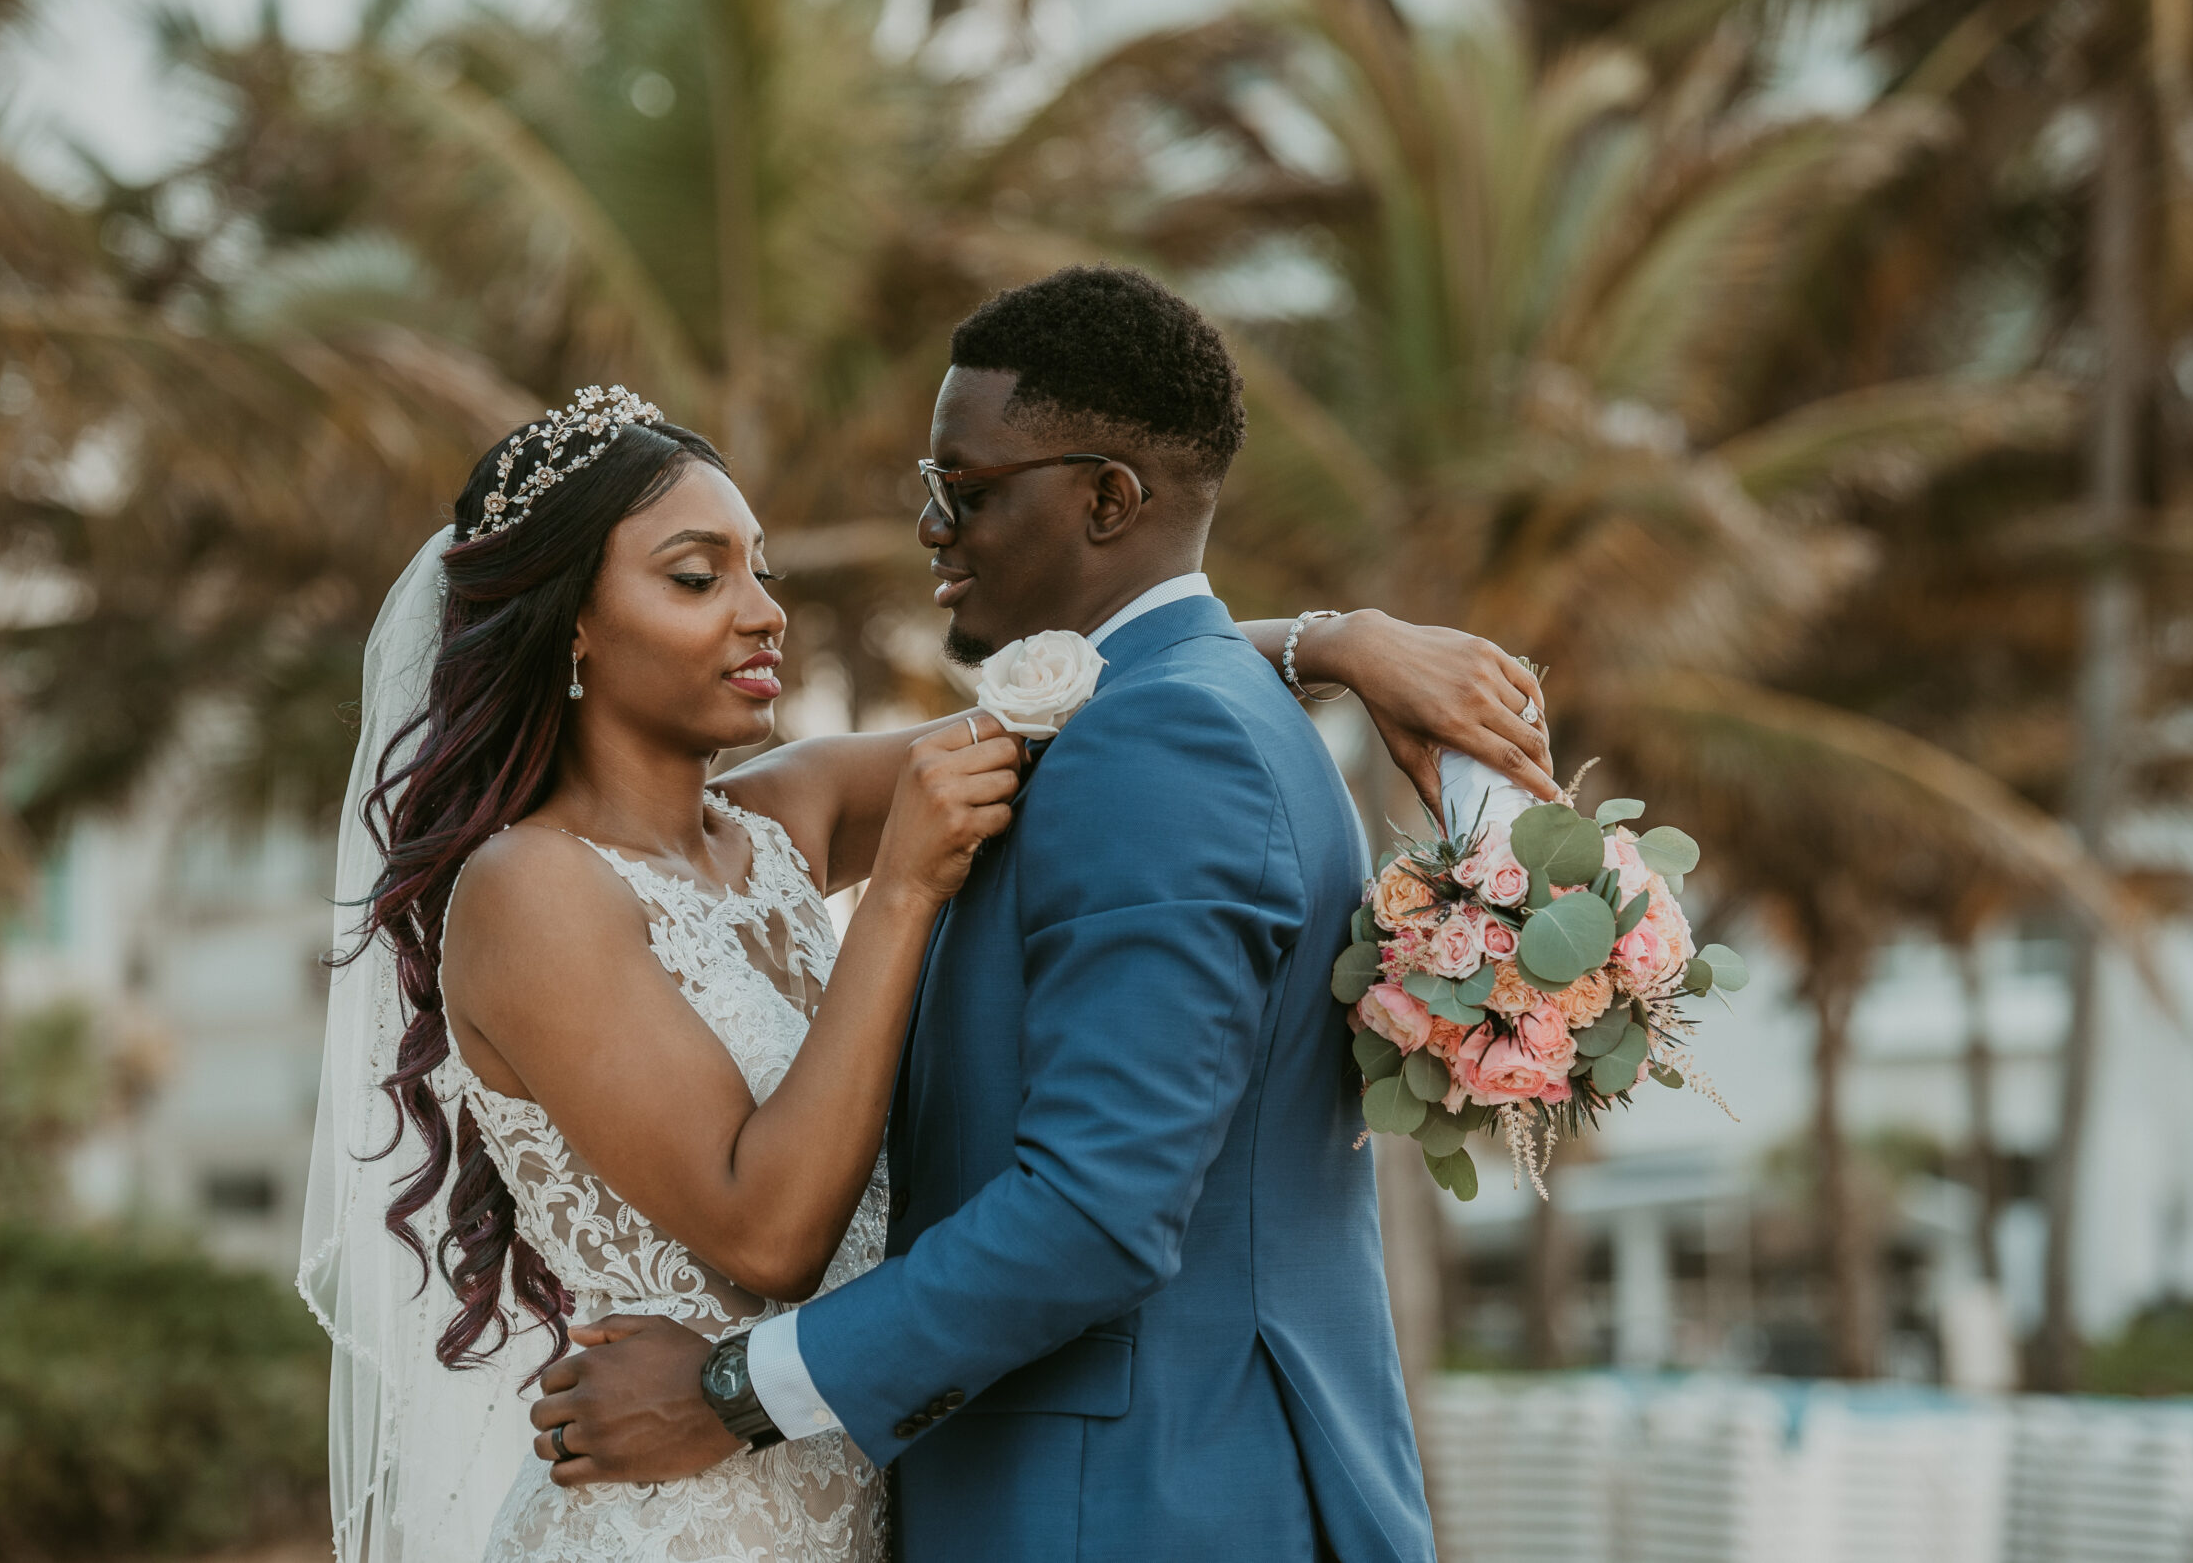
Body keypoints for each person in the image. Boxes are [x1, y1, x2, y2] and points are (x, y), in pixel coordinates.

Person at [519, 268, 1554, 1562]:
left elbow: (1098, 1210)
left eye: (968, 488)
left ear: (1106, 498)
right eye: (927, 485)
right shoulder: (1165, 715)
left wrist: (731, 1390)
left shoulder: (1161, 740)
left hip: (1128, 1501)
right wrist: (1322, 641)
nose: (933, 528)